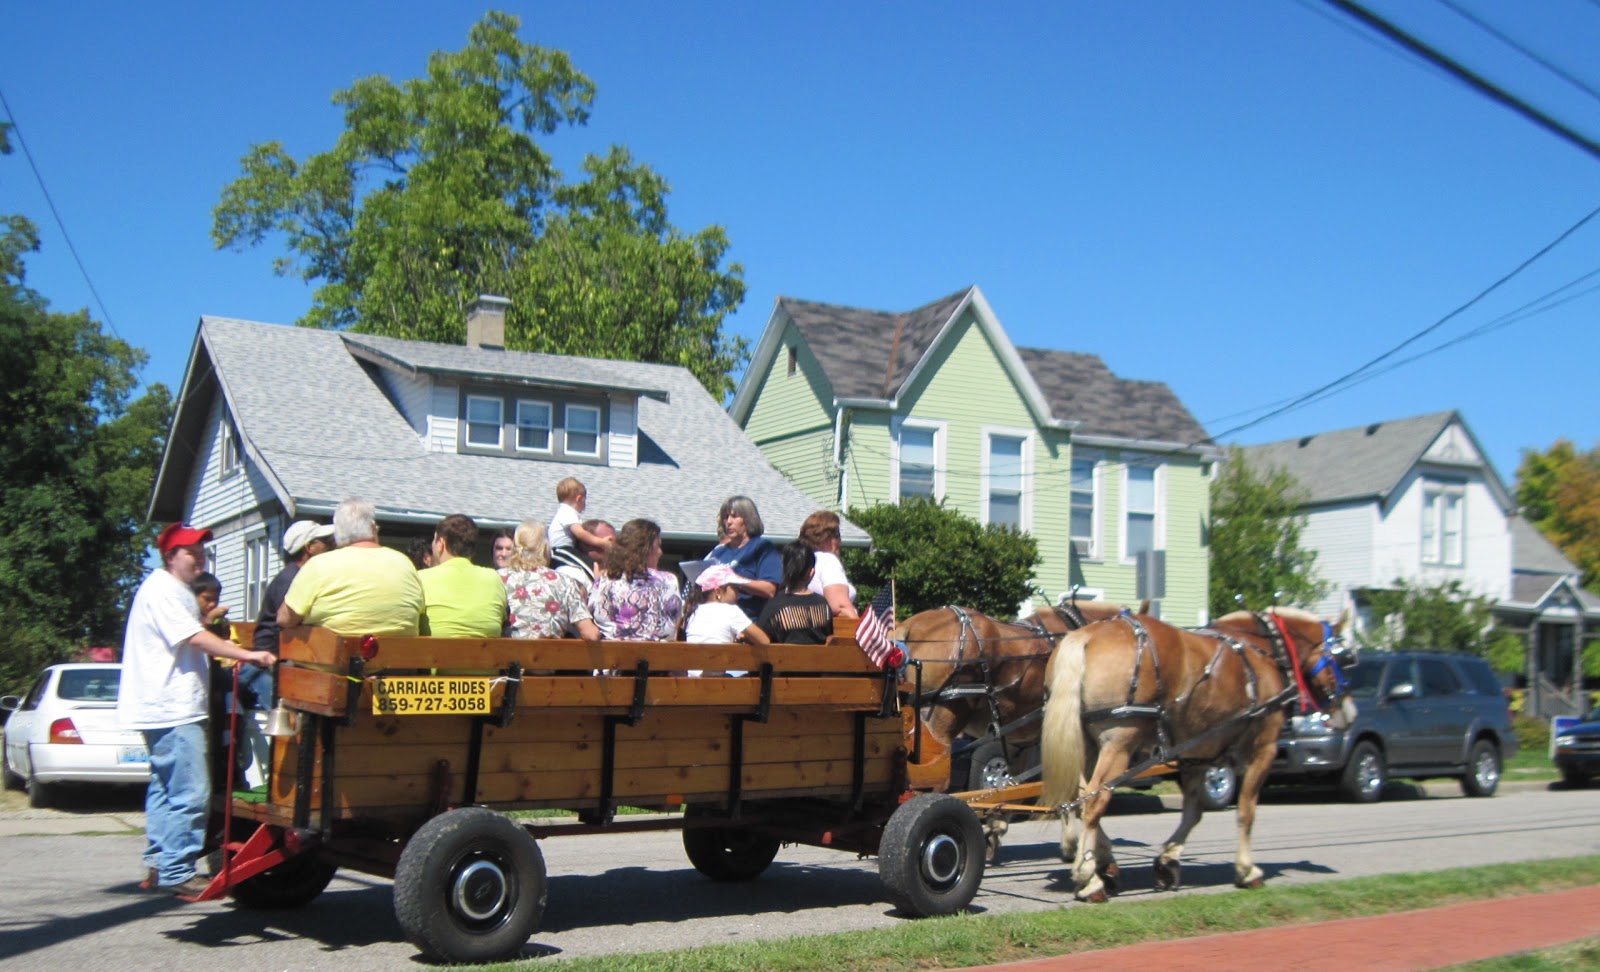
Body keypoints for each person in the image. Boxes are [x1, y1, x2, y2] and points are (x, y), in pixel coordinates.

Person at [118, 523, 275, 897]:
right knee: (191, 792)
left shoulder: (167, 590)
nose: (199, 557)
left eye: (202, 551)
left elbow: (190, 631)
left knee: (165, 789)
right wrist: (248, 654)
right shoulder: (165, 590)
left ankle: (160, 862)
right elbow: (195, 638)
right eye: (191, 552)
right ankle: (177, 869)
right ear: (170, 556)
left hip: (160, 706)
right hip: (173, 707)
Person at [279, 498, 425, 636]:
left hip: (336, 654)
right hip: (400, 654)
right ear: (372, 528)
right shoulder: (405, 563)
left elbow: (284, 619)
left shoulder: (318, 565)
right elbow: (419, 611)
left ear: (337, 534)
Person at [501, 519, 600, 640]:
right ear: (545, 548)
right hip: (552, 651)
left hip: (506, 651)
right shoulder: (564, 582)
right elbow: (590, 634)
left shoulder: (499, 579)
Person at [588, 518, 683, 641]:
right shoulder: (669, 580)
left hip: (613, 651)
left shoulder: (604, 580)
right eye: (658, 546)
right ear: (647, 549)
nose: (661, 552)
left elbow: (591, 616)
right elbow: (676, 621)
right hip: (659, 651)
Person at [419, 514, 508, 638]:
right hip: (484, 651)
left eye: (434, 540)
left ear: (441, 544)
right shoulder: (494, 579)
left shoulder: (421, 579)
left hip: (434, 650)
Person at [704, 495, 782, 619]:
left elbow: (770, 590)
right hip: (717, 620)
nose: (729, 522)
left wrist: (736, 580)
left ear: (748, 519)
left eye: (734, 516)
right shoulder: (718, 553)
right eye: (726, 517)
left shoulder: (762, 548)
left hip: (750, 621)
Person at [756, 542, 835, 645]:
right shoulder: (822, 604)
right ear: (811, 572)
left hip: (783, 655)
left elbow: (760, 636)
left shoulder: (774, 605)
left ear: (783, 569)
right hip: (818, 656)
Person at [799, 510, 858, 619]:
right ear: (825, 537)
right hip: (829, 628)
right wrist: (860, 628)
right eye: (837, 535)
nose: (840, 542)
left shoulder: (801, 561)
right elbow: (840, 606)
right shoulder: (827, 560)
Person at [548, 477, 612, 573]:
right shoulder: (567, 512)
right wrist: (601, 542)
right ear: (579, 499)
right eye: (584, 501)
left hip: (564, 550)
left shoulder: (564, 512)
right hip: (561, 550)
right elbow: (580, 533)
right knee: (588, 565)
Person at [555, 518, 615, 601]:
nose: (613, 547)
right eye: (608, 541)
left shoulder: (616, 572)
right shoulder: (570, 573)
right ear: (587, 543)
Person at [190, 573, 231, 639]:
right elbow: (197, 638)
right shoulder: (189, 617)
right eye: (207, 599)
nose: (213, 604)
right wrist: (210, 618)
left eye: (216, 599)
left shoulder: (218, 620)